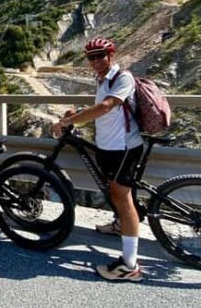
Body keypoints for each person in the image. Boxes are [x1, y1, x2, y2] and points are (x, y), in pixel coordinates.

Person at [51, 37, 144, 282]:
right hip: (108, 146)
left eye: (100, 55)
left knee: (122, 197)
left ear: (110, 55)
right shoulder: (101, 79)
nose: (95, 61)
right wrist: (76, 112)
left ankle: (130, 265)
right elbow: (99, 106)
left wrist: (72, 120)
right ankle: (119, 224)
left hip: (123, 146)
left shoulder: (122, 77)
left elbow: (106, 106)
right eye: (91, 57)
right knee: (118, 194)